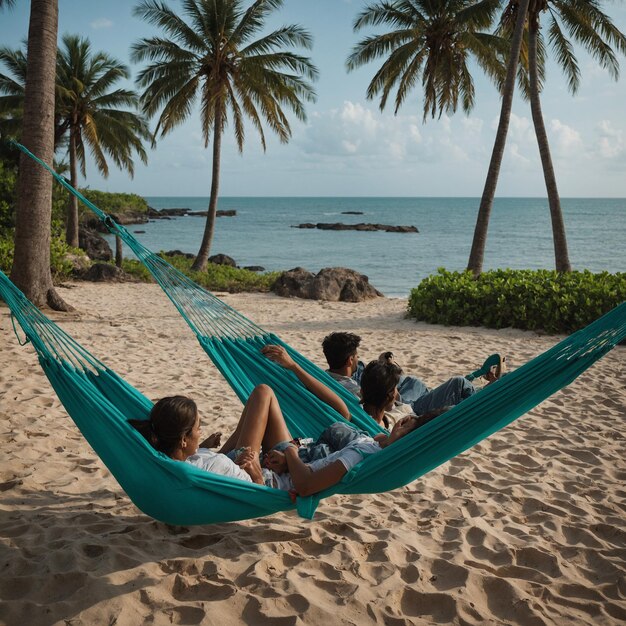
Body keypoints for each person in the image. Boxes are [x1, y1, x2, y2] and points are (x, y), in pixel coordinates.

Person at [321, 331, 503, 419]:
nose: (357, 359)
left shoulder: (322, 378)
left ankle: (466, 389)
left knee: (412, 382)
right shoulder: (352, 391)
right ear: (348, 360)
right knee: (458, 383)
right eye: (355, 356)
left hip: (395, 399)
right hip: (407, 408)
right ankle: (479, 392)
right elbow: (381, 404)